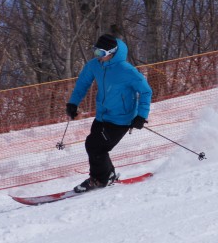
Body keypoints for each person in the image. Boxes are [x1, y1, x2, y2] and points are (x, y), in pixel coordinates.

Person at [65, 33, 153, 192]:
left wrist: (141, 115)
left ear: (112, 53)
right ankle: (107, 174)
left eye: (101, 53)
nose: (98, 56)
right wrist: (73, 103)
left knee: (95, 146)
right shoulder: (94, 65)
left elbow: (146, 91)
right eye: (96, 52)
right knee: (94, 145)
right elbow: (82, 84)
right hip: (102, 115)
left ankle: (100, 179)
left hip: (121, 119)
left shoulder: (126, 70)